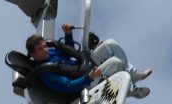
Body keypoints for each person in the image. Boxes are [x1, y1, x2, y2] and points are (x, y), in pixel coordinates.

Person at [25, 23, 153, 99]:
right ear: (33, 54)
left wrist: (68, 34)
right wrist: (89, 77)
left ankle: (132, 75)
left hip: (84, 66)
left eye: (45, 46)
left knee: (110, 43)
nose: (45, 50)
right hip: (85, 84)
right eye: (40, 49)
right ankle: (129, 90)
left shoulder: (50, 52)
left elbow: (69, 52)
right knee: (116, 62)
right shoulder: (46, 73)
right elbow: (67, 86)